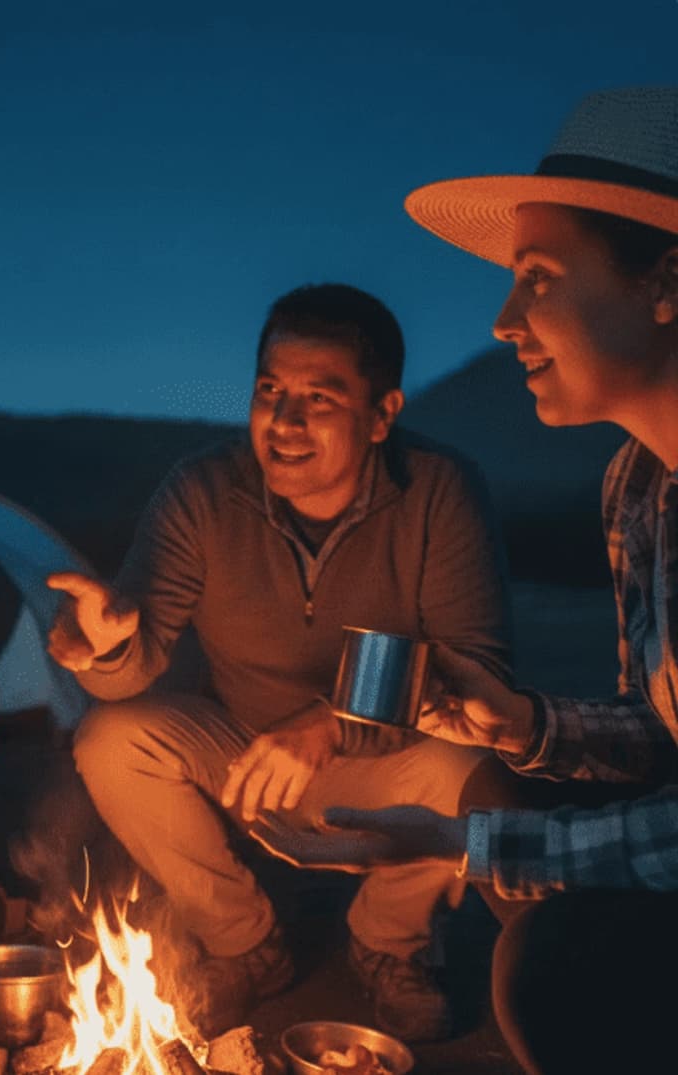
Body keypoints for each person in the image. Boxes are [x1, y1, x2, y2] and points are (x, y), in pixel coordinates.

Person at [247, 86, 678, 1073]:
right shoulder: (640, 487)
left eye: (537, 278)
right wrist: (524, 724)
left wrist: (460, 843)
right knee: (558, 954)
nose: (500, 320)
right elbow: (663, 743)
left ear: (667, 282)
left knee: (559, 962)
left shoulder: (442, 492)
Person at [46, 282, 514, 1042]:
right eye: (271, 391)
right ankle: (245, 945)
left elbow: (479, 670)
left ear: (382, 414)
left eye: (319, 399)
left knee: (476, 754)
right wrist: (106, 646)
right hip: (246, 756)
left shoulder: (439, 493)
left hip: (389, 766)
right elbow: (140, 655)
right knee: (111, 736)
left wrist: (333, 720)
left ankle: (387, 941)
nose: (285, 421)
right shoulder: (203, 491)